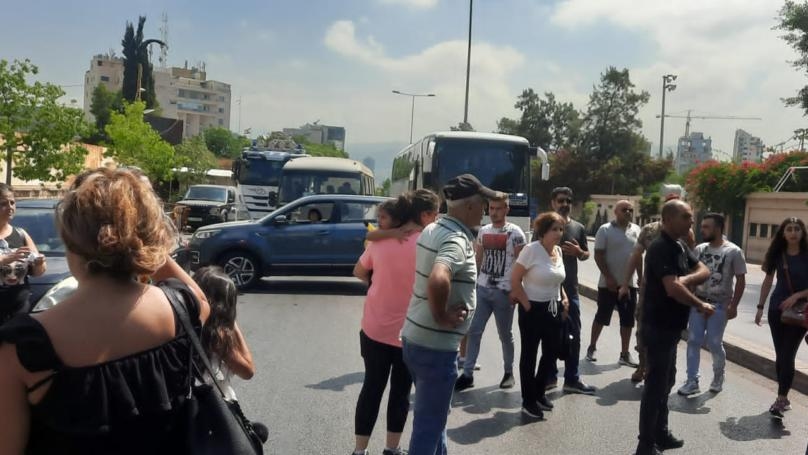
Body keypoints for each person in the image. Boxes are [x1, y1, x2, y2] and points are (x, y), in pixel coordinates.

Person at [0, 167, 211, 454]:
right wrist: (144, 243)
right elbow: (201, 301)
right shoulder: (179, 308)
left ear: (70, 239)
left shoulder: (22, 347)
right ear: (147, 237)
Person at [400, 174, 500, 454]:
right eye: (482, 204)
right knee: (428, 427)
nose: (485, 211)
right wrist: (442, 316)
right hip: (436, 348)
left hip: (416, 340)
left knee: (435, 419)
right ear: (469, 206)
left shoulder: (433, 228)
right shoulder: (457, 240)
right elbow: (438, 277)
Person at [350, 191, 438, 455]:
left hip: (374, 327)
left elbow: (358, 271)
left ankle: (359, 451)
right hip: (410, 331)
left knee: (371, 387)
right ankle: (392, 448)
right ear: (424, 214)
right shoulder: (428, 244)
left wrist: (377, 283)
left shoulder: (381, 241)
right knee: (401, 392)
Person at [635, 200, 713, 455]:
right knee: (655, 386)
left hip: (671, 328)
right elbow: (672, 289)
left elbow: (704, 269)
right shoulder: (660, 247)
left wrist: (686, 279)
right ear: (668, 219)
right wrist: (700, 304)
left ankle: (661, 434)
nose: (691, 221)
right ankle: (645, 444)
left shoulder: (679, 245)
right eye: (686, 216)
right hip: (657, 326)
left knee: (666, 382)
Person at [619, 193, 693, 383]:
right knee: (643, 327)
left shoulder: (686, 233)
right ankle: (643, 365)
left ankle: (665, 371)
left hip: (674, 289)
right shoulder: (649, 230)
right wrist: (626, 283)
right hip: (650, 290)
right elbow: (636, 255)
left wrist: (690, 288)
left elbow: (691, 262)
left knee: (670, 332)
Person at [454, 195, 526, 392]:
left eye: (498, 208)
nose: (494, 212)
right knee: (474, 330)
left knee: (505, 334)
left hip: (505, 292)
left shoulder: (516, 233)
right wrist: (472, 285)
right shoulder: (483, 231)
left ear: (507, 209)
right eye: (491, 208)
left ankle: (508, 372)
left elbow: (522, 264)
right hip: (483, 289)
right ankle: (467, 374)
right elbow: (478, 260)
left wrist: (516, 290)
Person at [192, 266, 269, 442]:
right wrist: (232, 323)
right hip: (212, 411)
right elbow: (247, 371)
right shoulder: (217, 336)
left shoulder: (181, 323)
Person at [677, 213, 746, 396]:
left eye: (706, 227)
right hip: (699, 302)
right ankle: (692, 380)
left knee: (714, 343)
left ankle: (718, 376)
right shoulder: (700, 249)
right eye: (702, 226)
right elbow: (692, 274)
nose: (702, 230)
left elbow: (740, 280)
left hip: (720, 305)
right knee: (693, 340)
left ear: (718, 228)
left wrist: (734, 306)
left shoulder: (733, 251)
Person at [509, 212, 569, 419]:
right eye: (554, 229)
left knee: (551, 353)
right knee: (529, 355)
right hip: (532, 309)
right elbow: (515, 280)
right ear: (542, 231)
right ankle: (528, 400)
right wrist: (527, 306)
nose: (558, 233)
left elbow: (557, 280)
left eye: (561, 229)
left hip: (554, 308)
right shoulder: (531, 250)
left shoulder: (558, 251)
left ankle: (539, 392)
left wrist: (564, 298)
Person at [755, 216, 808, 419]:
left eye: (797, 229)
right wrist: (760, 306)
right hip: (776, 310)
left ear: (802, 232)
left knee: (787, 354)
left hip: (800, 312)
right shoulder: (777, 254)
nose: (793, 233)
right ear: (783, 234)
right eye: (789, 229)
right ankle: (783, 397)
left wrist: (797, 295)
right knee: (781, 356)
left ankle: (781, 398)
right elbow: (768, 281)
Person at [546, 186, 596, 395]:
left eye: (568, 201)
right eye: (560, 200)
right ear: (553, 203)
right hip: (548, 292)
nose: (565, 204)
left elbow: (586, 255)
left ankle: (572, 379)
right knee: (549, 335)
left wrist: (579, 252)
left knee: (574, 335)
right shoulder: (544, 225)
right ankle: (549, 377)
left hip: (571, 291)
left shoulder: (578, 228)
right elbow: (535, 253)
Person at [587, 200, 641, 367]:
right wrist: (609, 277)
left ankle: (624, 354)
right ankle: (592, 347)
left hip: (629, 284)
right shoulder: (605, 229)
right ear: (616, 212)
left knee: (628, 320)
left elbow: (638, 256)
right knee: (602, 317)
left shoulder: (636, 230)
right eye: (624, 209)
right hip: (608, 284)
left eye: (630, 210)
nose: (628, 212)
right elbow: (598, 255)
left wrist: (641, 277)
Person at [0, 183, 47, 323]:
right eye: (3, 203)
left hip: (19, 308)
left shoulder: (21, 234)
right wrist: (5, 259)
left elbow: (38, 272)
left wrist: (39, 263)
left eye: (12, 202)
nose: (10, 207)